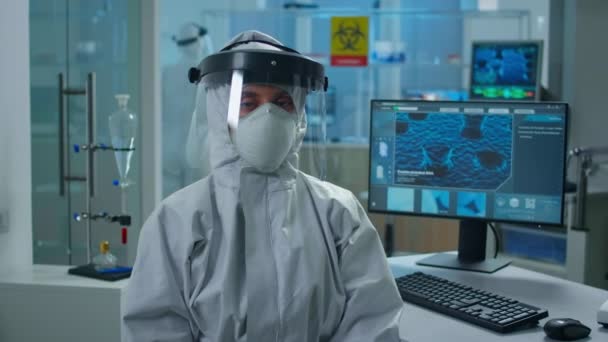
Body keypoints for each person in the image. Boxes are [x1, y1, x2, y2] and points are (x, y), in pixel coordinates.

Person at [122, 30, 405, 341]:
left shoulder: (339, 213)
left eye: (282, 102)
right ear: (219, 112)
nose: (267, 115)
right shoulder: (176, 221)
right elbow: (154, 330)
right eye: (248, 102)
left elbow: (372, 323)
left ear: (299, 114)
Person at [162, 22, 212, 197]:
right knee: (194, 198)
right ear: (199, 42)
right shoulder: (206, 73)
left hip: (170, 145)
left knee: (173, 199)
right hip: (194, 144)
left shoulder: (167, 72)